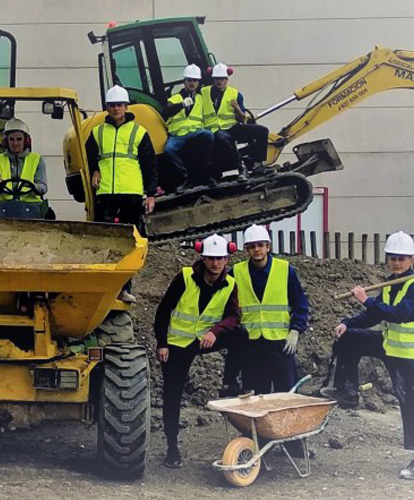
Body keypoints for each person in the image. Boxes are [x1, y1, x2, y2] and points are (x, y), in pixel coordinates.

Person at [321, 231, 414, 480]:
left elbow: (399, 314)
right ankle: (348, 391)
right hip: (388, 344)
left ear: (412, 260)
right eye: (392, 258)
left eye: (401, 258)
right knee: (348, 338)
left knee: (410, 400)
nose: (396, 262)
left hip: (407, 354)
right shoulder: (391, 284)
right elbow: (374, 317)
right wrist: (348, 323)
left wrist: (367, 301)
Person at [154, 234, 243, 469]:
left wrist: (216, 331)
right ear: (202, 258)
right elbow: (163, 311)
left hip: (204, 339)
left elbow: (234, 317)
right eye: (211, 258)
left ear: (227, 259)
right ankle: (172, 447)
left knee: (242, 336)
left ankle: (230, 382)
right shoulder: (185, 277)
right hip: (177, 344)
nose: (215, 263)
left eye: (220, 259)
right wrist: (162, 343)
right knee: (173, 393)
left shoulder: (230, 284)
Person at [85, 85, 158, 302]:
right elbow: (89, 156)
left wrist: (151, 193)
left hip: (131, 193)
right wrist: (95, 170)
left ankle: (125, 288)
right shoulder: (97, 132)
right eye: (112, 105)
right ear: (107, 107)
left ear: (126, 106)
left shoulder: (139, 132)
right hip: (106, 191)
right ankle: (101, 287)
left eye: (119, 105)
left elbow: (150, 165)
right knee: (103, 241)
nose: (116, 108)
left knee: (128, 244)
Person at [232, 224, 309, 395]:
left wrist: (295, 330)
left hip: (280, 343)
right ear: (246, 250)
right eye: (252, 246)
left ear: (268, 246)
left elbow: (300, 303)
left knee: (286, 394)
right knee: (258, 396)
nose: (257, 250)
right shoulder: (237, 272)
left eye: (260, 245)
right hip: (252, 344)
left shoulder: (284, 270)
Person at [202, 63, 269, 180]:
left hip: (232, 127)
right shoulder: (204, 93)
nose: (219, 81)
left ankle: (258, 164)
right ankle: (240, 167)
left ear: (226, 80)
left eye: (222, 79)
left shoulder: (235, 94)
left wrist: (237, 108)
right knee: (223, 137)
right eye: (217, 79)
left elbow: (242, 118)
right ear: (213, 79)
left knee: (262, 131)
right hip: (214, 129)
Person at [162, 64, 214, 191]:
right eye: (189, 80)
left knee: (208, 135)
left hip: (195, 132)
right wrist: (181, 105)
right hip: (178, 135)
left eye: (195, 81)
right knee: (169, 149)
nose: (192, 83)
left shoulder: (201, 99)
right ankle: (186, 177)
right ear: (184, 82)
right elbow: (166, 111)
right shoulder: (175, 98)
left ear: (198, 82)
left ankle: (206, 173)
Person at [0, 117, 49, 218]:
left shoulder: (37, 159)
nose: (15, 143)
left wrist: (35, 187)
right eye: (11, 139)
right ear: (6, 141)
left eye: (19, 139)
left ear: (26, 140)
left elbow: (43, 186)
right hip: (2, 208)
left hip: (31, 208)